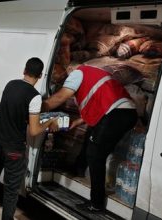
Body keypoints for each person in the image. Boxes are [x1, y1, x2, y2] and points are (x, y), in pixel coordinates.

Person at [42, 65, 137, 212]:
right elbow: (98, 104)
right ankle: (78, 169)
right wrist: (76, 122)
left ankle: (96, 204)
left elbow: (61, 96)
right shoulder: (95, 73)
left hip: (115, 114)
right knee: (92, 137)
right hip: (125, 113)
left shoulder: (77, 74)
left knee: (95, 154)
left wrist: (38, 109)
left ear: (70, 69)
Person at [0, 57, 58, 220]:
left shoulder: (10, 84)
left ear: (24, 71)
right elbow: (34, 131)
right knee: (10, 192)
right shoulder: (35, 97)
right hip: (14, 149)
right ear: (40, 76)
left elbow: (11, 111)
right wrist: (50, 121)